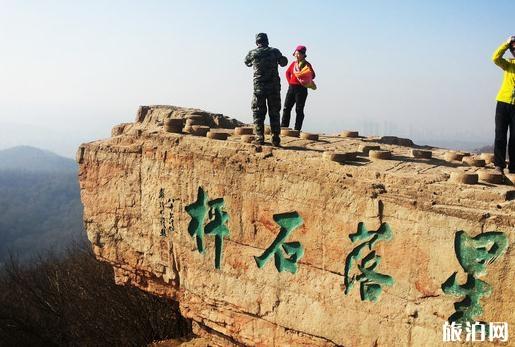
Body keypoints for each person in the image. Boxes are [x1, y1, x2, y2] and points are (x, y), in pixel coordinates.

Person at [245, 33, 288, 146]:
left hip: (259, 87)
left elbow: (247, 63)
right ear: (267, 41)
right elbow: (284, 63)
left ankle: (259, 137)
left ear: (257, 42)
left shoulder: (252, 53)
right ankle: (275, 138)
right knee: (274, 112)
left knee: (258, 112)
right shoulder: (274, 51)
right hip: (273, 87)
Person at [492, 36, 515, 174]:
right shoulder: (508, 64)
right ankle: (498, 165)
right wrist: (506, 44)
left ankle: (513, 167)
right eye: (513, 48)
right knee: (500, 135)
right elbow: (495, 58)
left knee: (514, 138)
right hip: (503, 102)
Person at [281, 45, 316, 131]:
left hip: (301, 89)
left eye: (299, 54)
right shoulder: (293, 64)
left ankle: (297, 129)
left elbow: (313, 75)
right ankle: (284, 126)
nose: (297, 55)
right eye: (296, 54)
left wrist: (305, 76)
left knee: (299, 109)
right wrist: (290, 82)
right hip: (292, 87)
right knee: (286, 107)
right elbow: (287, 73)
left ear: (303, 55)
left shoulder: (307, 64)